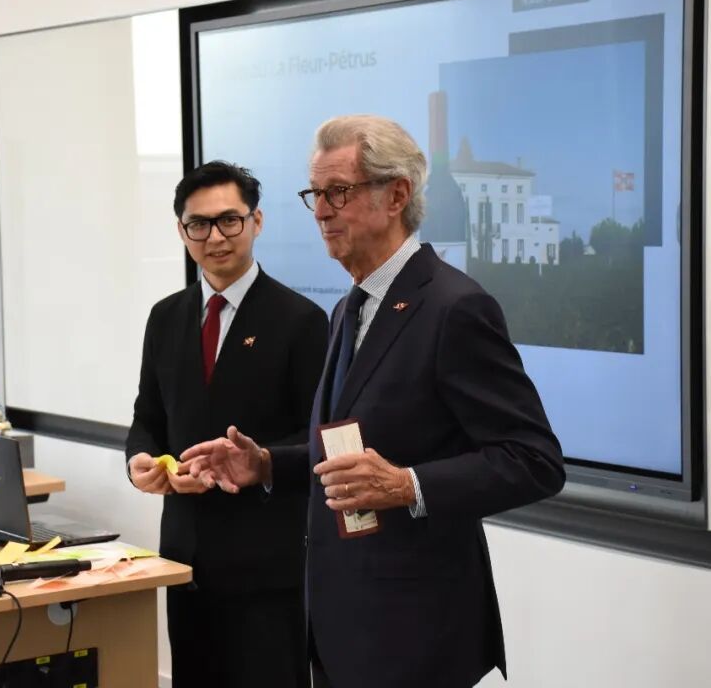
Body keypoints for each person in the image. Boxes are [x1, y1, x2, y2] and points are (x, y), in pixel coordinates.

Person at [183, 116, 566, 688]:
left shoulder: (454, 308)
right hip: (340, 625)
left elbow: (534, 460)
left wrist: (409, 485)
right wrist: (265, 464)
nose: (321, 211)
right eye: (315, 193)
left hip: (415, 633)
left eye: (338, 192)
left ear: (397, 195)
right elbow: (352, 453)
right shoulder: (349, 308)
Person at [125, 160, 328, 688]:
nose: (215, 237)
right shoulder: (165, 317)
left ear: (256, 222)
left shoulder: (301, 320)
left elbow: (318, 439)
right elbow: (148, 417)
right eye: (199, 224)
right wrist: (139, 461)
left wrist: (259, 462)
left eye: (229, 220)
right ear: (181, 231)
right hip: (185, 559)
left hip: (267, 566)